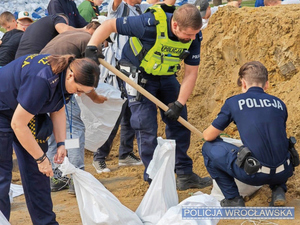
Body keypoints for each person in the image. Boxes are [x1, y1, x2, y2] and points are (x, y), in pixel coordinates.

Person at [86, 3, 212, 190]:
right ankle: (155, 180)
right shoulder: (148, 24)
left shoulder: (194, 36)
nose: (192, 39)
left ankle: (184, 174)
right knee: (146, 126)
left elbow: (191, 73)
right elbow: (110, 25)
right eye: (188, 35)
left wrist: (179, 103)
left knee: (179, 122)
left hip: (165, 74)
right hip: (139, 75)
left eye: (195, 34)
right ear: (175, 25)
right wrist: (91, 47)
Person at [0, 54, 100, 224]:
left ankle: (46, 222)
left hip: (27, 110)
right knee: (2, 172)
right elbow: (18, 124)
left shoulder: (65, 80)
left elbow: (58, 108)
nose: (79, 94)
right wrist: (40, 158)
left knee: (39, 173)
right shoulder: (42, 80)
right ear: (71, 75)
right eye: (79, 90)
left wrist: (61, 143)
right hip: (3, 109)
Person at [202, 61, 294, 207]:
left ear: (243, 83)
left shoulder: (234, 102)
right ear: (267, 84)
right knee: (276, 143)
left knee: (208, 147)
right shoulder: (280, 103)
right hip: (285, 171)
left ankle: (233, 199)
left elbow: (208, 136)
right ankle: (278, 190)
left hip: (253, 174)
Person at [91, 0, 157, 174]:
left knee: (130, 113)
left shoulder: (143, 8)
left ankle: (125, 153)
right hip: (120, 69)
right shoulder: (119, 9)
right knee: (116, 114)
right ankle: (99, 156)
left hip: (138, 69)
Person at [40, 21, 106, 194]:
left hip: (43, 83)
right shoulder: (91, 41)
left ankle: (58, 175)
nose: (103, 45)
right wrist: (96, 98)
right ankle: (77, 178)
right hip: (59, 84)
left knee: (56, 131)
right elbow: (88, 80)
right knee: (73, 129)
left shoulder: (71, 36)